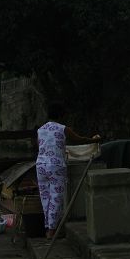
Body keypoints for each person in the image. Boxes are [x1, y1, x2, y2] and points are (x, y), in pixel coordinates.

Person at [36, 101, 100, 239]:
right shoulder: (63, 128)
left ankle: (48, 227)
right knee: (56, 198)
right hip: (56, 166)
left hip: (40, 165)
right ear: (61, 115)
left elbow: (42, 146)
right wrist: (94, 140)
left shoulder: (40, 130)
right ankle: (51, 231)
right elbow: (79, 140)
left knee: (45, 198)